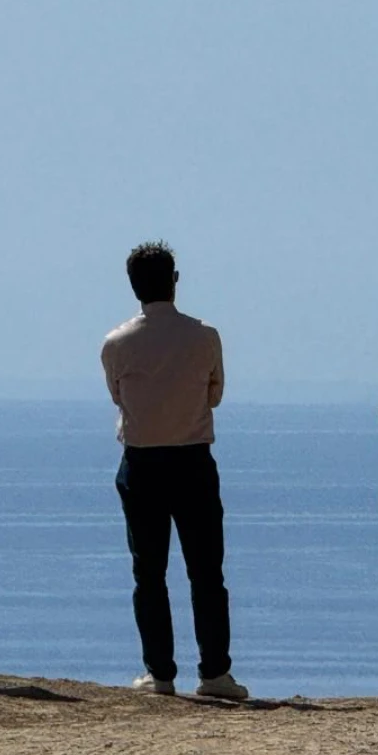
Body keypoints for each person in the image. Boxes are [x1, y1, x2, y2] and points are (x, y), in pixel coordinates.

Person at [100, 242, 248, 701]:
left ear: (133, 286)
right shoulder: (205, 337)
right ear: (175, 281)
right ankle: (215, 672)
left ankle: (159, 672)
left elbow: (118, 396)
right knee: (207, 571)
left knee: (149, 573)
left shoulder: (116, 343)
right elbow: (214, 394)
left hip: (142, 462)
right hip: (192, 460)